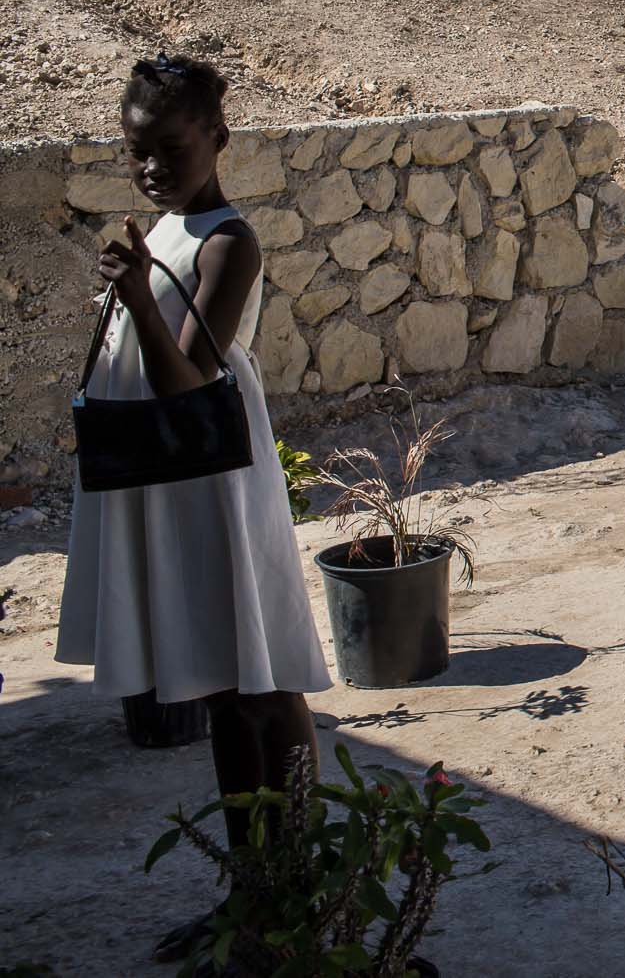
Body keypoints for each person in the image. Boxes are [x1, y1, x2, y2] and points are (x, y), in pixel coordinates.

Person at [57, 55, 332, 966]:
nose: (150, 166)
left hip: (216, 482)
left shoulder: (226, 241)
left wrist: (136, 293)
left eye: (169, 147)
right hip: (168, 487)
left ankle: (298, 884)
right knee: (220, 690)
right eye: (137, 150)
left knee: (262, 683)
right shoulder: (166, 229)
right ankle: (250, 897)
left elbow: (190, 376)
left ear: (218, 137)